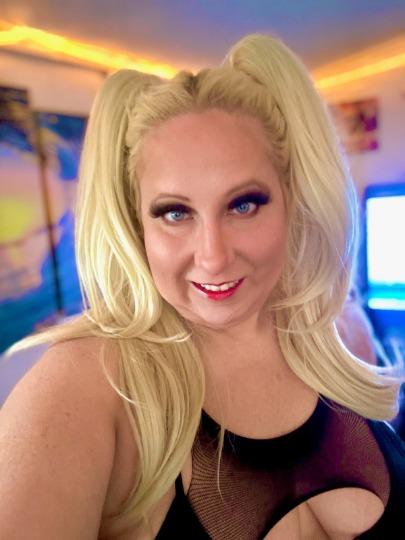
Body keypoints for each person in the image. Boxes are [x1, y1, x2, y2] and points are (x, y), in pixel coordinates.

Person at [0, 33, 404, 540]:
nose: (213, 256)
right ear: (137, 224)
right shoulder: (87, 386)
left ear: (292, 199)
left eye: (243, 205)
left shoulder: (340, 332)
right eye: (175, 212)